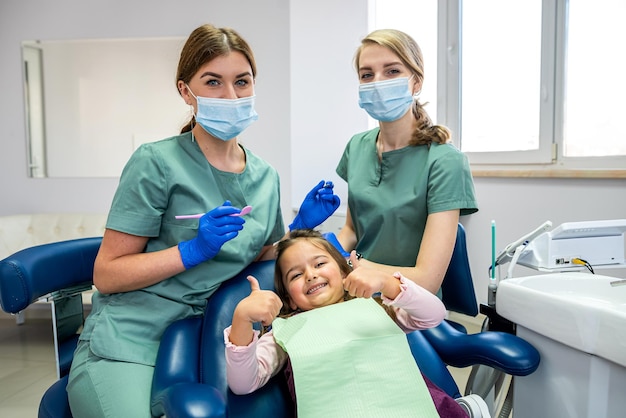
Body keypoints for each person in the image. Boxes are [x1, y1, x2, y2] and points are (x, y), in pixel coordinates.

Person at [66, 24, 336, 418]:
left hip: (211, 336)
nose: (231, 95)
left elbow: (259, 255)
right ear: (185, 91)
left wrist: (300, 230)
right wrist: (192, 250)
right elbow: (107, 274)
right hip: (133, 337)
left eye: (241, 82)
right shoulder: (155, 162)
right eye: (213, 82)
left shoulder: (265, 177)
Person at [224, 229, 469, 417]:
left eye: (320, 264)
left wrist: (387, 283)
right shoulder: (285, 331)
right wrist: (242, 318)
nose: (310, 275)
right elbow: (243, 383)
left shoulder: (378, 308)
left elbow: (434, 314)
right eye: (296, 275)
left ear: (344, 274)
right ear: (290, 300)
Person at [334, 29, 478, 295]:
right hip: (356, 290)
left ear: (416, 82)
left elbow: (427, 279)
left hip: (412, 304)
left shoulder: (445, 162)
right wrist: (325, 251)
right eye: (367, 75)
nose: (377, 82)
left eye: (392, 71)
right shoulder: (357, 147)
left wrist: (358, 267)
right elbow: (352, 230)